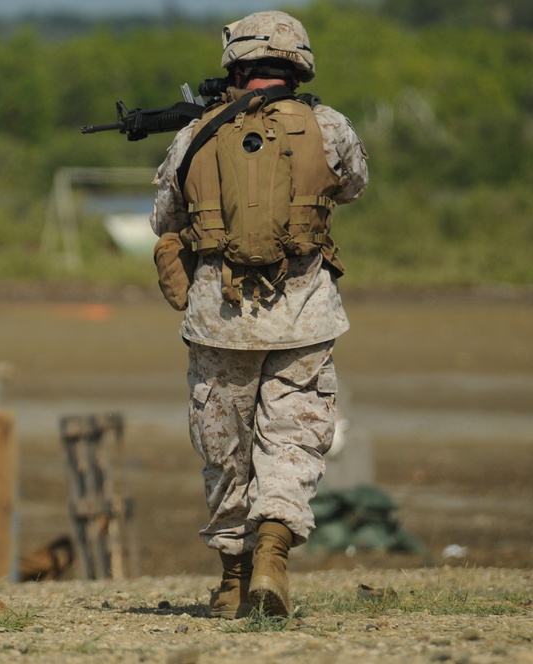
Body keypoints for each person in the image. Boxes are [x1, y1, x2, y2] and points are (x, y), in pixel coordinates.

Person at [149, 11, 369, 618]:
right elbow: (352, 187)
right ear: (299, 63)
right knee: (294, 438)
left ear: (235, 65)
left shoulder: (195, 133)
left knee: (224, 446)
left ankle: (231, 578)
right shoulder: (329, 126)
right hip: (304, 313)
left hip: (219, 314)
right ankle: (274, 555)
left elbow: (164, 218)